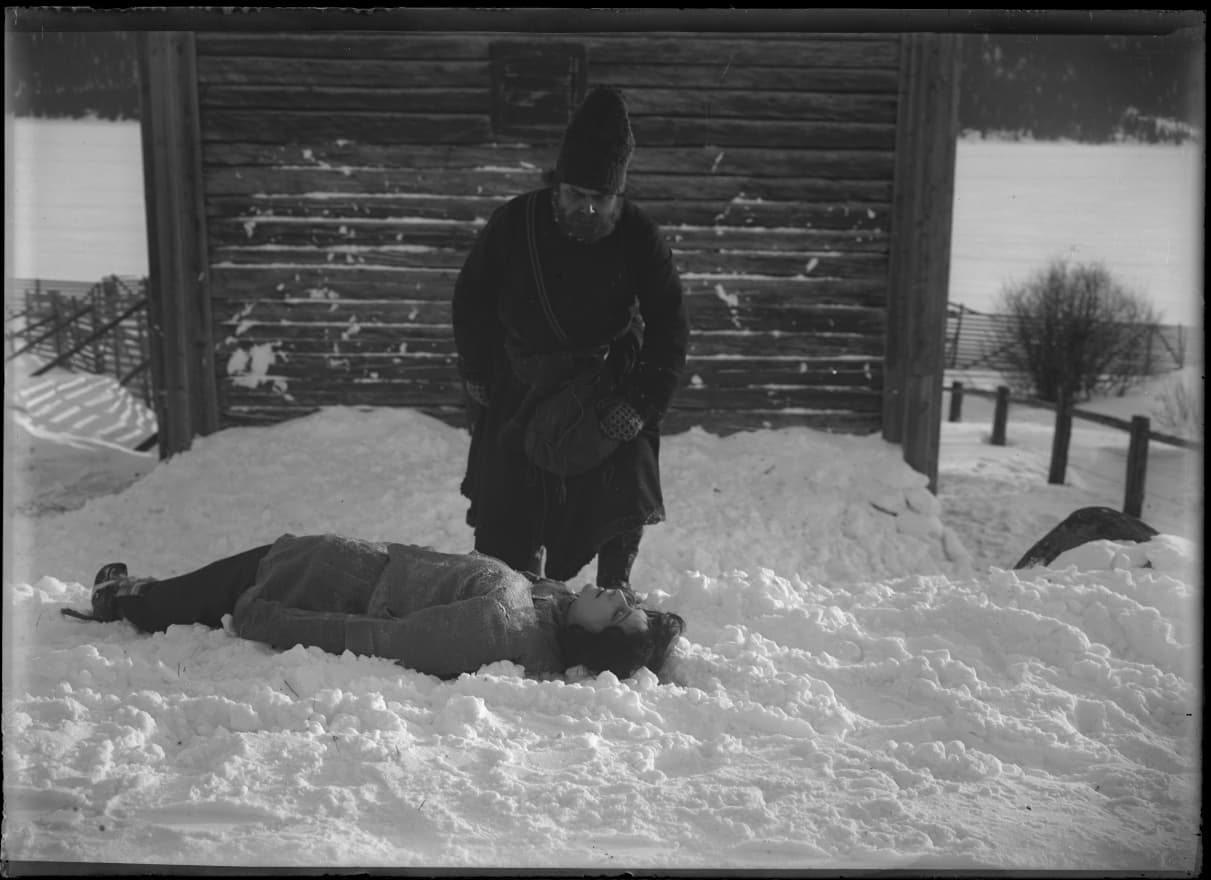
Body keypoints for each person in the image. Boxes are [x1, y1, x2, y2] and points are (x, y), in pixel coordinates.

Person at [453, 85, 689, 590]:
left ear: (617, 196)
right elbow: (472, 296)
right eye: (575, 195)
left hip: (604, 382)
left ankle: (612, 590)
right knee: (509, 504)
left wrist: (641, 402)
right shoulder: (515, 222)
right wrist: (477, 370)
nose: (586, 209)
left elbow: (670, 322)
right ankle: (513, 596)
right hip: (522, 376)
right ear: (557, 185)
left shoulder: (639, 235)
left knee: (621, 490)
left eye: (599, 199)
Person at [60, 534, 687, 681]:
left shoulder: (499, 629)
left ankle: (121, 600)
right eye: (629, 599)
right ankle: (139, 592)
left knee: (192, 598)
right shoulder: (548, 609)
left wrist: (269, 619)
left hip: (320, 584)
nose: (618, 594)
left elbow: (379, 639)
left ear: (592, 640)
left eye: (619, 611)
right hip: (341, 560)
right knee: (205, 584)